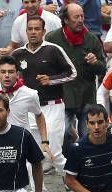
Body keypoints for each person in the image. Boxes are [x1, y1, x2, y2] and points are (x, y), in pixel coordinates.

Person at [11, 16, 76, 174]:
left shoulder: (53, 50)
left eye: (37, 29)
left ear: (44, 31)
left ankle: (73, 178)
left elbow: (72, 73)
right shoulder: (18, 54)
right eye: (30, 29)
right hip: (30, 109)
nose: (33, 32)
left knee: (52, 152)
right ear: (26, 31)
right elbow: (8, 77)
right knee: (30, 154)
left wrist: (51, 80)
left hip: (53, 106)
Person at [45, 3, 105, 143]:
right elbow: (45, 64)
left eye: (82, 16)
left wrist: (95, 62)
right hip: (63, 96)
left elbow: (102, 68)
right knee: (64, 133)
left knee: (87, 135)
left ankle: (85, 162)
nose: (80, 20)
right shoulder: (52, 39)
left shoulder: (92, 39)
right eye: (76, 17)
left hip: (86, 96)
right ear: (65, 20)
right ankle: (68, 160)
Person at [0, 56, 47, 150]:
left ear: (17, 74)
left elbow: (39, 115)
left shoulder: (30, 94)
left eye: (10, 72)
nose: (6, 75)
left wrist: (45, 142)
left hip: (22, 147)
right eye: (3, 72)